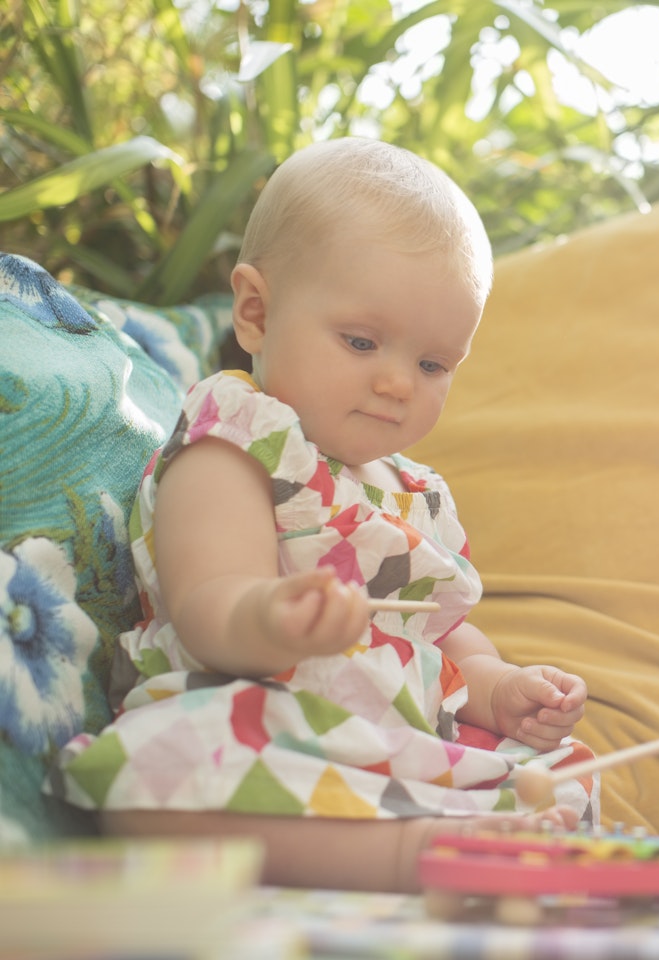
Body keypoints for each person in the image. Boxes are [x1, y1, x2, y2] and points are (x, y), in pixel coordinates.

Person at [51, 137, 596, 892]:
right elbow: (208, 603)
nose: (399, 383)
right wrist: (275, 616)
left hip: (399, 751)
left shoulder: (417, 491)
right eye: (362, 342)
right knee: (153, 775)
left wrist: (502, 688)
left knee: (568, 773)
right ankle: (419, 857)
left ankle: (473, 834)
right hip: (269, 725)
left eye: (434, 365)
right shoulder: (239, 437)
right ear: (256, 312)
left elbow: (444, 631)